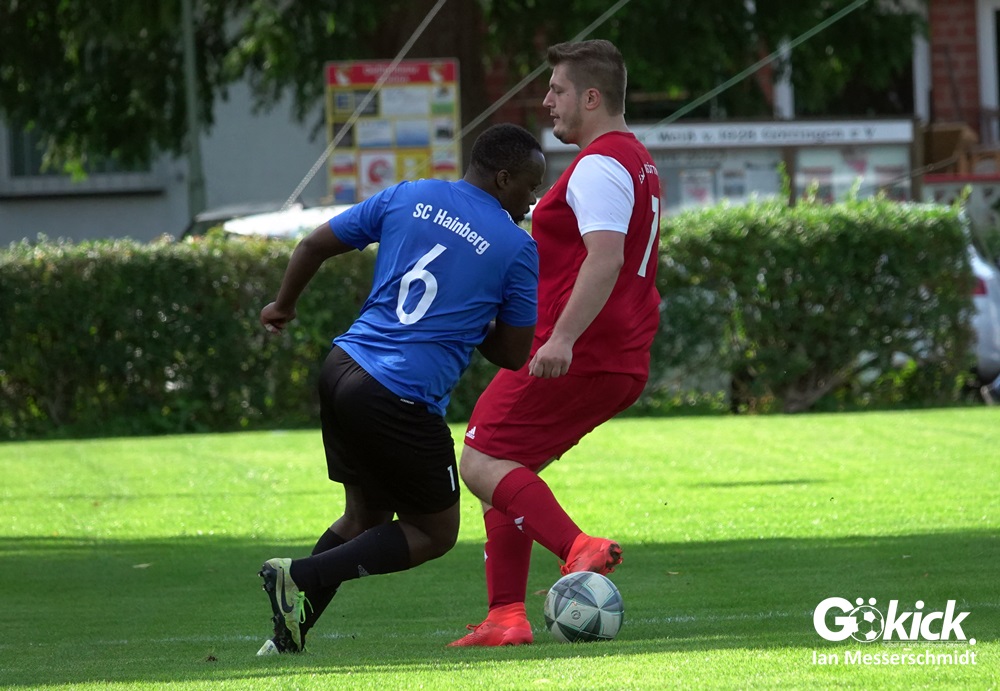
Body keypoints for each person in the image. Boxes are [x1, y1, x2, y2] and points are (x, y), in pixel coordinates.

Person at [255, 123, 546, 655]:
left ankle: (288, 636)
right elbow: (512, 353)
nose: (532, 200)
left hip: (343, 368)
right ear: (504, 178)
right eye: (530, 187)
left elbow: (313, 245)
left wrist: (283, 305)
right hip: (399, 396)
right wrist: (474, 320)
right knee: (435, 531)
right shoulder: (516, 247)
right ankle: (297, 574)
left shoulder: (410, 194)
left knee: (364, 517)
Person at [448, 39, 662, 647]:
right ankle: (505, 617)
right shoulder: (636, 162)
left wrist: (562, 338)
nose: (547, 101)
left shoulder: (599, 164)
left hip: (581, 351)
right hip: (617, 353)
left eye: (558, 90)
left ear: (591, 97)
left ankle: (577, 547)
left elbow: (605, 258)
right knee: (507, 472)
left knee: (479, 460)